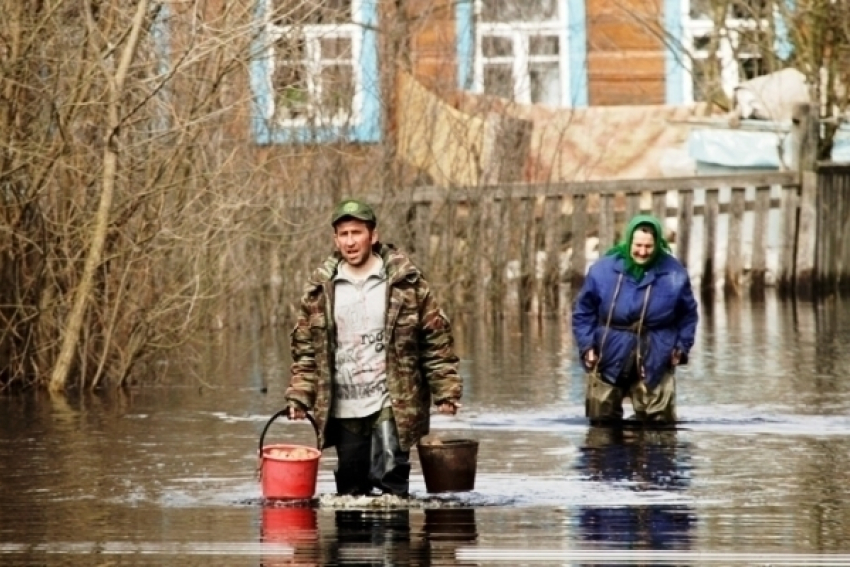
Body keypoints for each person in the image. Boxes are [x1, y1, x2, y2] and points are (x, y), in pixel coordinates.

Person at [284, 198, 462, 497]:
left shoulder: (406, 283)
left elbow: (434, 339)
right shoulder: (320, 290)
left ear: (373, 236)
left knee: (390, 478)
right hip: (344, 405)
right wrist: (300, 396)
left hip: (393, 400)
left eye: (357, 233)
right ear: (335, 239)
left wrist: (446, 390)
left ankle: (395, 540)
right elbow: (306, 352)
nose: (350, 242)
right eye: (344, 234)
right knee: (351, 491)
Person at [571, 214, 698, 425]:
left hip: (657, 353)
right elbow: (583, 312)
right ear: (629, 241)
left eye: (649, 247)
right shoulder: (602, 270)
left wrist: (682, 347)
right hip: (609, 353)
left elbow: (688, 315)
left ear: (657, 244)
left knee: (659, 429)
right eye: (638, 245)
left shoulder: (674, 273)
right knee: (601, 426)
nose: (642, 252)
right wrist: (587, 346)